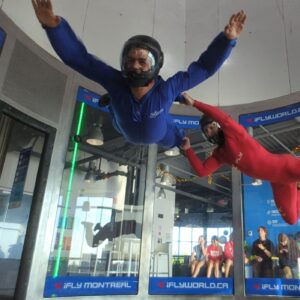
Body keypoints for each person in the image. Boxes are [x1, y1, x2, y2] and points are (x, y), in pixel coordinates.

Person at [32, 0, 246, 149]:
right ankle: (113, 104)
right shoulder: (115, 81)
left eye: (143, 61)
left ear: (156, 64)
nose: (135, 66)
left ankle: (175, 137)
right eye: (130, 60)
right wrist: (53, 26)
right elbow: (79, 59)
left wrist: (227, 41)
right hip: (125, 128)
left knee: (175, 138)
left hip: (162, 134)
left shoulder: (168, 88)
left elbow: (204, 67)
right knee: (116, 110)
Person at [181, 93, 300, 225]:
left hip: (286, 165)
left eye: (210, 127)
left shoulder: (233, 131)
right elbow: (201, 171)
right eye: (206, 130)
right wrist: (188, 149)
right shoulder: (220, 154)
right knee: (291, 219)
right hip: (278, 182)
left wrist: (195, 103)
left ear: (217, 124)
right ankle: (296, 188)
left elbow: (221, 116)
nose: (209, 132)